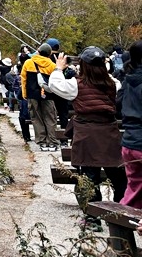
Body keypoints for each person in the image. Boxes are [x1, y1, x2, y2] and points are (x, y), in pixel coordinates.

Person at [48, 47, 126, 223]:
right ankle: (120, 214)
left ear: (83, 65)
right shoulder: (113, 83)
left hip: (86, 134)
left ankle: (92, 219)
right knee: (117, 176)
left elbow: (54, 85)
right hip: (109, 134)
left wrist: (58, 68)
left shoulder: (76, 84)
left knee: (89, 178)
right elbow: (112, 80)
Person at [21, 42, 60, 150]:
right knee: (50, 118)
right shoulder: (52, 65)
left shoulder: (28, 62)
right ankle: (52, 141)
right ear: (49, 54)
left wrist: (25, 94)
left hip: (32, 94)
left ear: (38, 52)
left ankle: (41, 141)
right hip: (48, 95)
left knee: (36, 118)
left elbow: (23, 79)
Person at [120, 40, 142, 208]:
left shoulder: (128, 80)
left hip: (129, 142)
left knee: (134, 188)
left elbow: (117, 104)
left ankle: (121, 218)